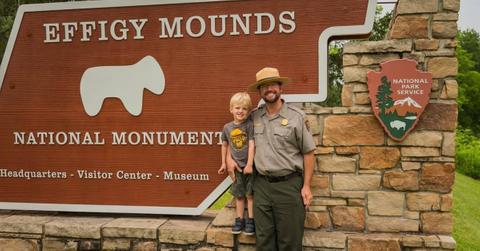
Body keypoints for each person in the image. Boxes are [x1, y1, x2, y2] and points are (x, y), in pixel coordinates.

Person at [228, 67, 316, 250]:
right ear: (260, 91)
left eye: (273, 85)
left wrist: (306, 185)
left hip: (289, 186)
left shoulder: (296, 117)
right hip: (261, 187)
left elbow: (308, 152)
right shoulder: (254, 117)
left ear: (280, 87)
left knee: (289, 242)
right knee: (264, 241)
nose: (269, 89)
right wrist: (229, 158)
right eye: (264, 86)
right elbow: (235, 136)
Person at [218, 92, 256, 235]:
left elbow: (252, 145)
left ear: (249, 111)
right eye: (237, 108)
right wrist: (224, 163)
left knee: (250, 195)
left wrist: (250, 164)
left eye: (244, 108)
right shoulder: (227, 127)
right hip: (236, 168)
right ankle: (239, 220)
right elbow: (224, 146)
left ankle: (251, 220)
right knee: (239, 196)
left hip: (248, 167)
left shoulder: (249, 125)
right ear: (231, 109)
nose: (240, 111)